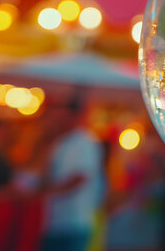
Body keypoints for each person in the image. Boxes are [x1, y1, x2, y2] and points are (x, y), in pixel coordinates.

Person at [41, 94, 104, 251]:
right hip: (56, 222)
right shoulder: (63, 141)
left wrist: (47, 191)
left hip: (74, 221)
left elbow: (80, 177)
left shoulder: (84, 141)